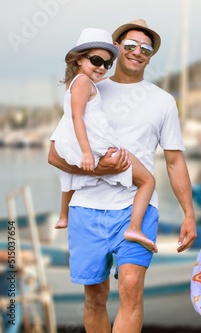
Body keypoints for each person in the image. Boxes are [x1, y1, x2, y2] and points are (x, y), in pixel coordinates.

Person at [48, 19, 197, 332]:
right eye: (130, 45)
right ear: (115, 47)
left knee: (130, 286)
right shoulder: (87, 87)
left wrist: (188, 213)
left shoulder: (163, 101)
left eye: (146, 48)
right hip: (87, 206)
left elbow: (174, 161)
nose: (137, 52)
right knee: (95, 296)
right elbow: (55, 154)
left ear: (151, 56)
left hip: (136, 206)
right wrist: (98, 167)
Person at [53, 27, 157, 254]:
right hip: (98, 144)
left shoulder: (79, 82)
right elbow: (76, 117)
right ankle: (135, 228)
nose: (102, 67)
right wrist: (87, 152)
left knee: (69, 175)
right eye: (96, 60)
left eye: (107, 63)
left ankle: (64, 216)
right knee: (148, 180)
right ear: (79, 59)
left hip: (81, 142)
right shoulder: (83, 82)